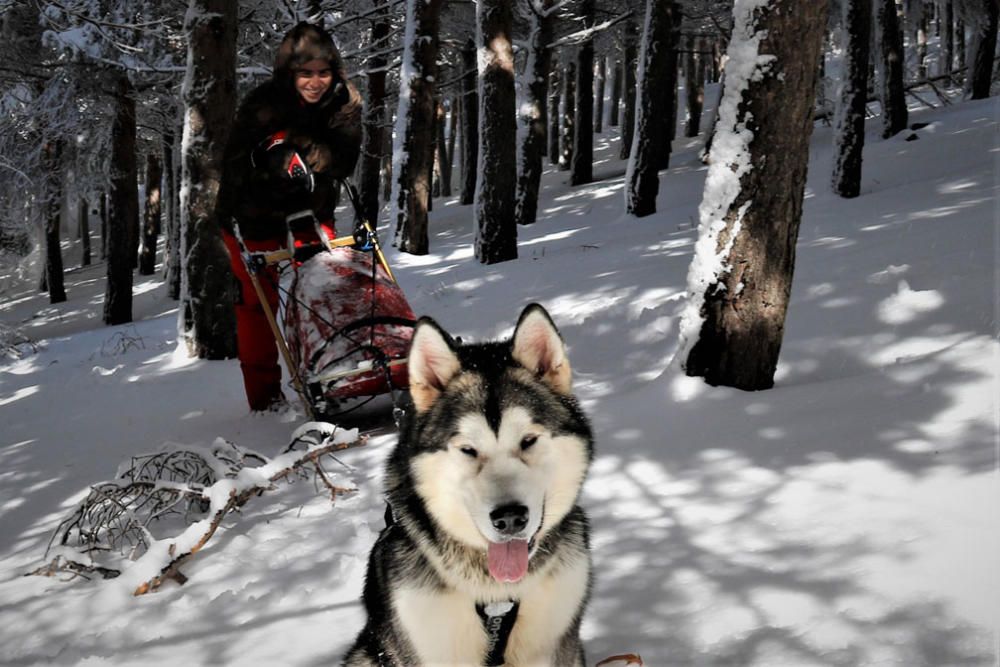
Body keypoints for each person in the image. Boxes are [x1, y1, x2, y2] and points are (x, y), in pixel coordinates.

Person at [215, 22, 362, 412]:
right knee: (256, 304)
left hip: (310, 210)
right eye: (305, 73)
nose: (315, 82)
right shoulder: (262, 104)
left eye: (323, 72)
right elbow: (234, 165)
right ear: (289, 73)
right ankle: (265, 401)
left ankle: (340, 376)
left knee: (325, 287)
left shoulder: (344, 102)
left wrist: (297, 150)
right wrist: (269, 160)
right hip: (251, 214)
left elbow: (343, 159)